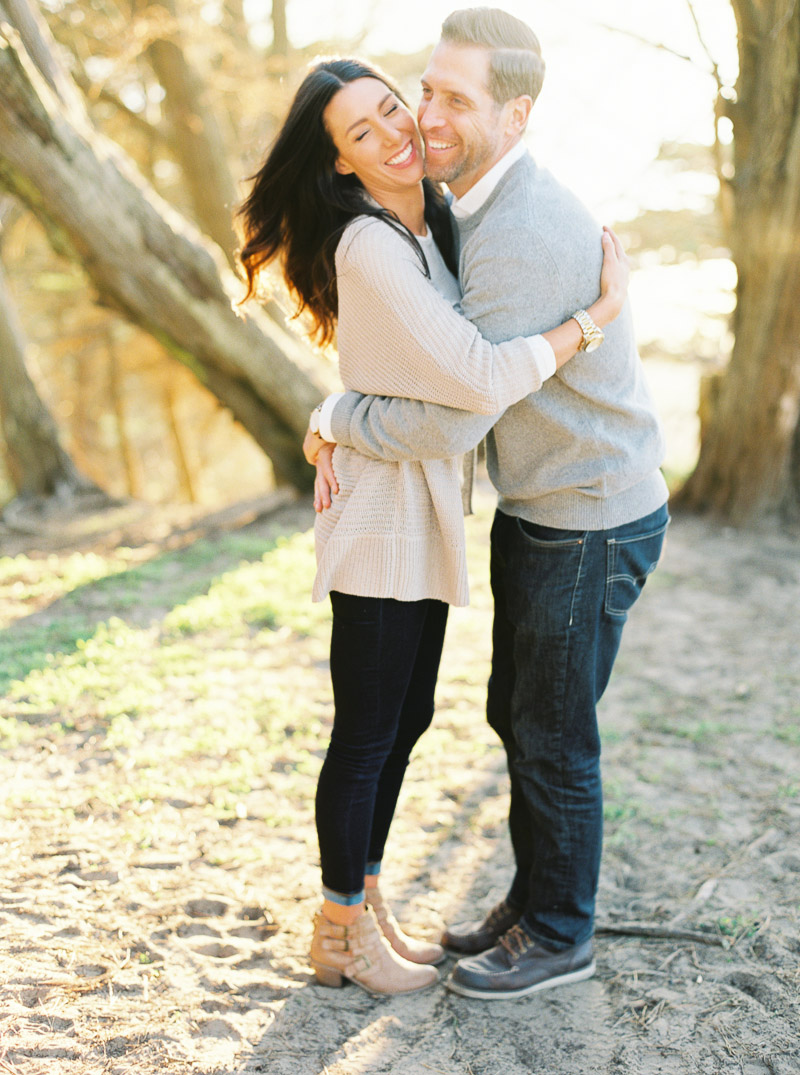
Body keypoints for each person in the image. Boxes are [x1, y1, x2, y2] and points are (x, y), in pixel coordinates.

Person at [238, 56, 628, 997]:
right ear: (339, 167)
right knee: (368, 730)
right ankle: (340, 928)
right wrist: (597, 317)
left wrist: (338, 415)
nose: (396, 132)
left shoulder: (431, 221)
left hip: (419, 502)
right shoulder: (371, 245)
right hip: (379, 506)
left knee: (403, 719)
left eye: (391, 108)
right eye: (362, 134)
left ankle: (362, 905)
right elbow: (480, 382)